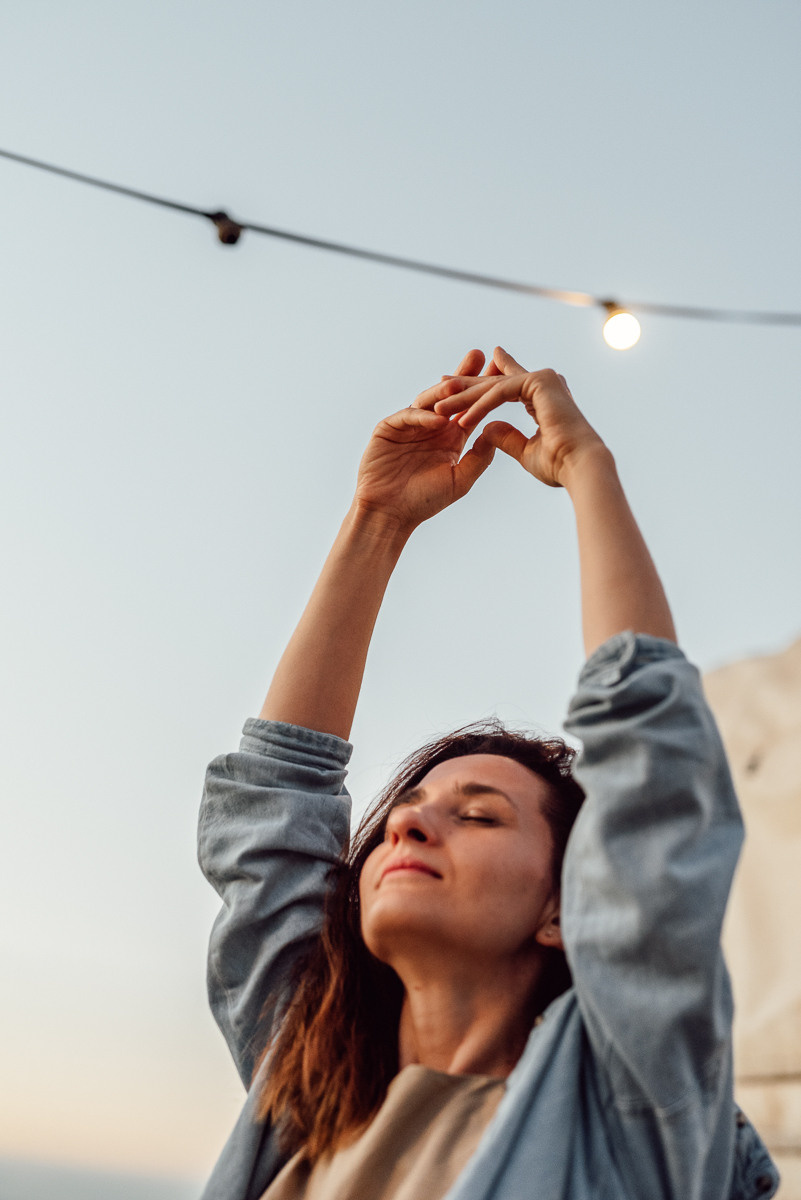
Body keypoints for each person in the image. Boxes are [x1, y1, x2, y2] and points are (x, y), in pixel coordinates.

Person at [198, 349, 779, 1200]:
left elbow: (649, 770)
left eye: (478, 815)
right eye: (408, 808)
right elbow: (275, 804)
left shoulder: (628, 1111)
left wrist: (585, 465)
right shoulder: (306, 1086)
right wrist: (375, 521)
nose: (405, 823)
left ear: (563, 908)